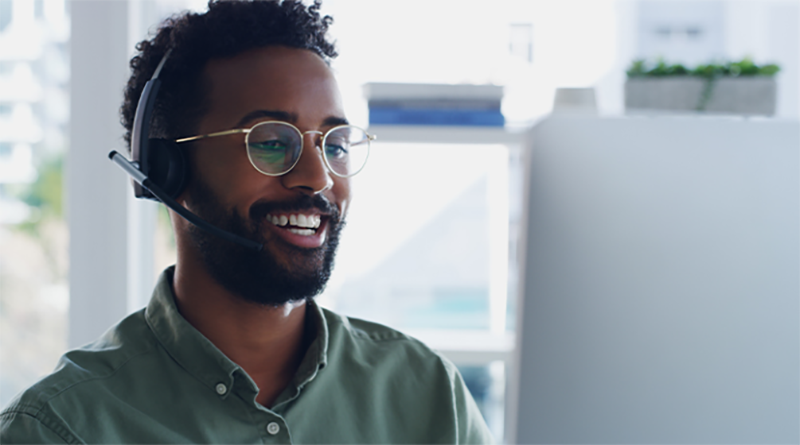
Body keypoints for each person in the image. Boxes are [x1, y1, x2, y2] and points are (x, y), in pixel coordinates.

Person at [0, 0, 494, 443]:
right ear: (167, 171)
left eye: (335, 144)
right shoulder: (62, 428)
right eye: (272, 142)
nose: (317, 177)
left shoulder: (427, 395)